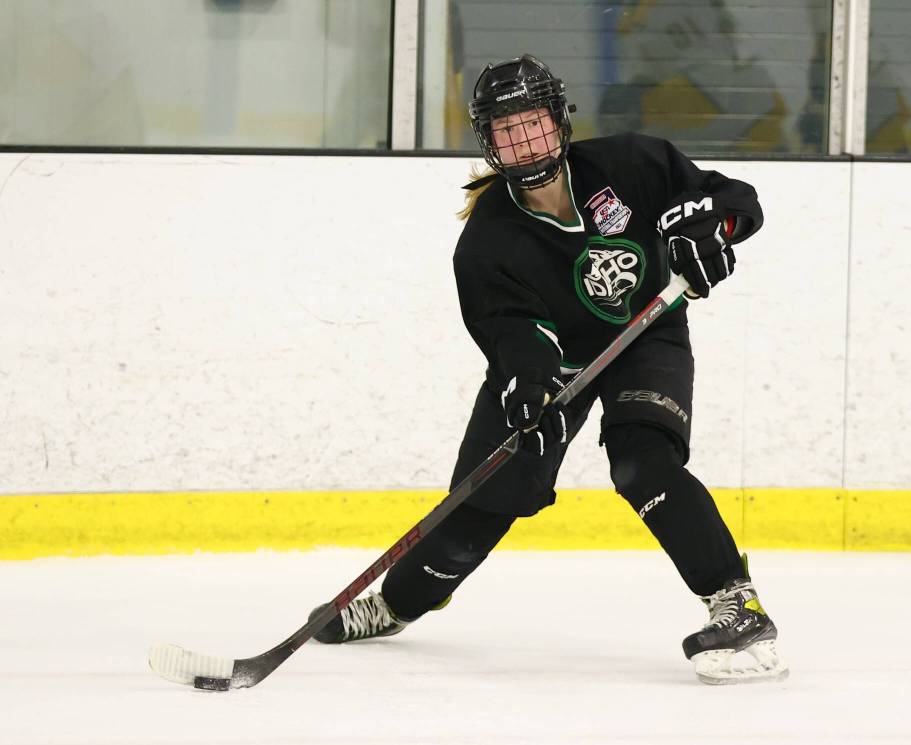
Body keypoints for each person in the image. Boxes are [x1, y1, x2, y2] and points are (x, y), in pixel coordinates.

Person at [310, 54, 787, 684]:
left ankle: (738, 605)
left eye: (532, 123)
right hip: (552, 364)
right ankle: (396, 605)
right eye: (507, 132)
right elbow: (514, 333)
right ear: (489, 143)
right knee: (483, 500)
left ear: (560, 122)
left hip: (644, 335)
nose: (524, 141)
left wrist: (713, 231)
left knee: (644, 458)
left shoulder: (630, 164)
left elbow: (731, 200)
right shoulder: (488, 241)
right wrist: (528, 390)